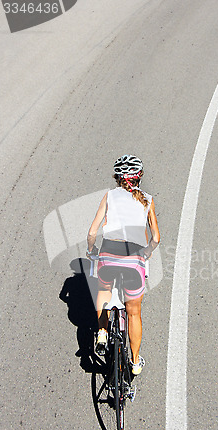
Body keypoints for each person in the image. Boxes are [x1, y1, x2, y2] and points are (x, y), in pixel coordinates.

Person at [86, 155, 160, 375]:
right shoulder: (147, 199)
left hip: (109, 255)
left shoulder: (109, 196)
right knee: (134, 313)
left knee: (103, 290)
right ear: (140, 177)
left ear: (117, 178)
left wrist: (92, 251)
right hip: (134, 260)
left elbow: (92, 232)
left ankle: (101, 331)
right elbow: (156, 238)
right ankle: (135, 362)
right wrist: (146, 253)